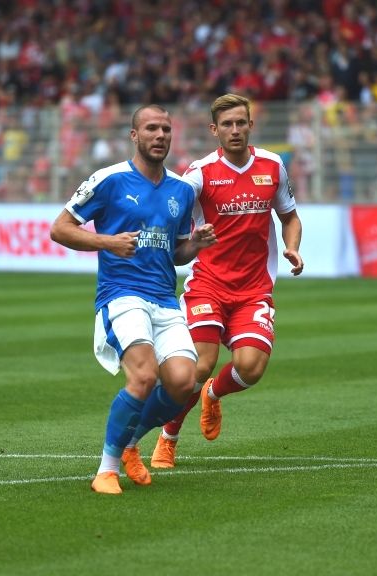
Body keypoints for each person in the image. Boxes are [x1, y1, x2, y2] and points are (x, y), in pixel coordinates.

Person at [50, 104, 217, 495]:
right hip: (122, 294)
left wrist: (194, 244)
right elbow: (60, 229)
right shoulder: (109, 179)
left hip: (164, 298)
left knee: (184, 382)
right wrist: (106, 241)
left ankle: (129, 443)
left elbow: (173, 254)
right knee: (144, 376)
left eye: (165, 130)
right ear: (134, 136)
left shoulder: (180, 189)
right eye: (151, 129)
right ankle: (105, 471)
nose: (160, 136)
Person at [149, 93, 303, 468]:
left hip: (254, 289)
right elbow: (171, 218)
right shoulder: (199, 175)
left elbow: (290, 217)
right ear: (214, 130)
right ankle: (168, 436)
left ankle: (213, 395)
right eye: (227, 125)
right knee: (199, 365)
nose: (235, 130)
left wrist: (293, 247)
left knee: (250, 368)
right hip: (208, 284)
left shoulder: (273, 167)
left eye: (241, 122)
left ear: (250, 125)